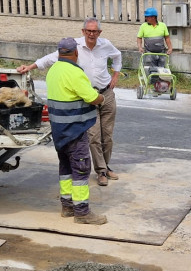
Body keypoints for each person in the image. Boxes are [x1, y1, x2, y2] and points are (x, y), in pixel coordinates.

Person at [18, 18, 122, 187]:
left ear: (99, 33)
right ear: (83, 31)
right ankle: (101, 171)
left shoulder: (106, 45)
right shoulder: (75, 47)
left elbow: (118, 56)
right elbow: (51, 58)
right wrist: (29, 67)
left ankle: (106, 165)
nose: (91, 34)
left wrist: (116, 75)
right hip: (88, 96)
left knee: (107, 136)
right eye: (88, 31)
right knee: (94, 136)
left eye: (94, 31)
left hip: (107, 93)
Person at [42, 38, 107, 225]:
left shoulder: (53, 69)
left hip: (59, 131)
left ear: (59, 53)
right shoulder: (74, 72)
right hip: (75, 130)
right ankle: (82, 212)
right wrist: (101, 97)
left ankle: (67, 206)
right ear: (76, 53)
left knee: (66, 167)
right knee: (81, 168)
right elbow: (92, 97)